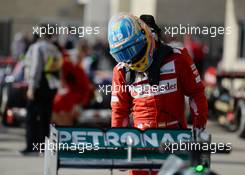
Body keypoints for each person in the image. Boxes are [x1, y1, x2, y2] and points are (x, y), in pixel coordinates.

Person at [108, 13, 208, 175]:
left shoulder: (178, 57)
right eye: (123, 54)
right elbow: (119, 110)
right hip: (139, 144)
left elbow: (196, 93)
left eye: (133, 49)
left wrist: (198, 134)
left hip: (175, 141)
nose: (130, 58)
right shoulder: (120, 71)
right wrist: (119, 146)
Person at [21, 24, 62, 154]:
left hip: (39, 84)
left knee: (31, 117)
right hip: (51, 85)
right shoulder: (54, 48)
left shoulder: (37, 47)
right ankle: (43, 147)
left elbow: (35, 67)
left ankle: (31, 146)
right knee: (45, 116)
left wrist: (32, 87)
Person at [52, 40, 95, 126]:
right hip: (75, 91)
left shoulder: (71, 62)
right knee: (60, 106)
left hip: (76, 92)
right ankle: (66, 127)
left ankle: (66, 127)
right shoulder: (69, 60)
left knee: (60, 105)